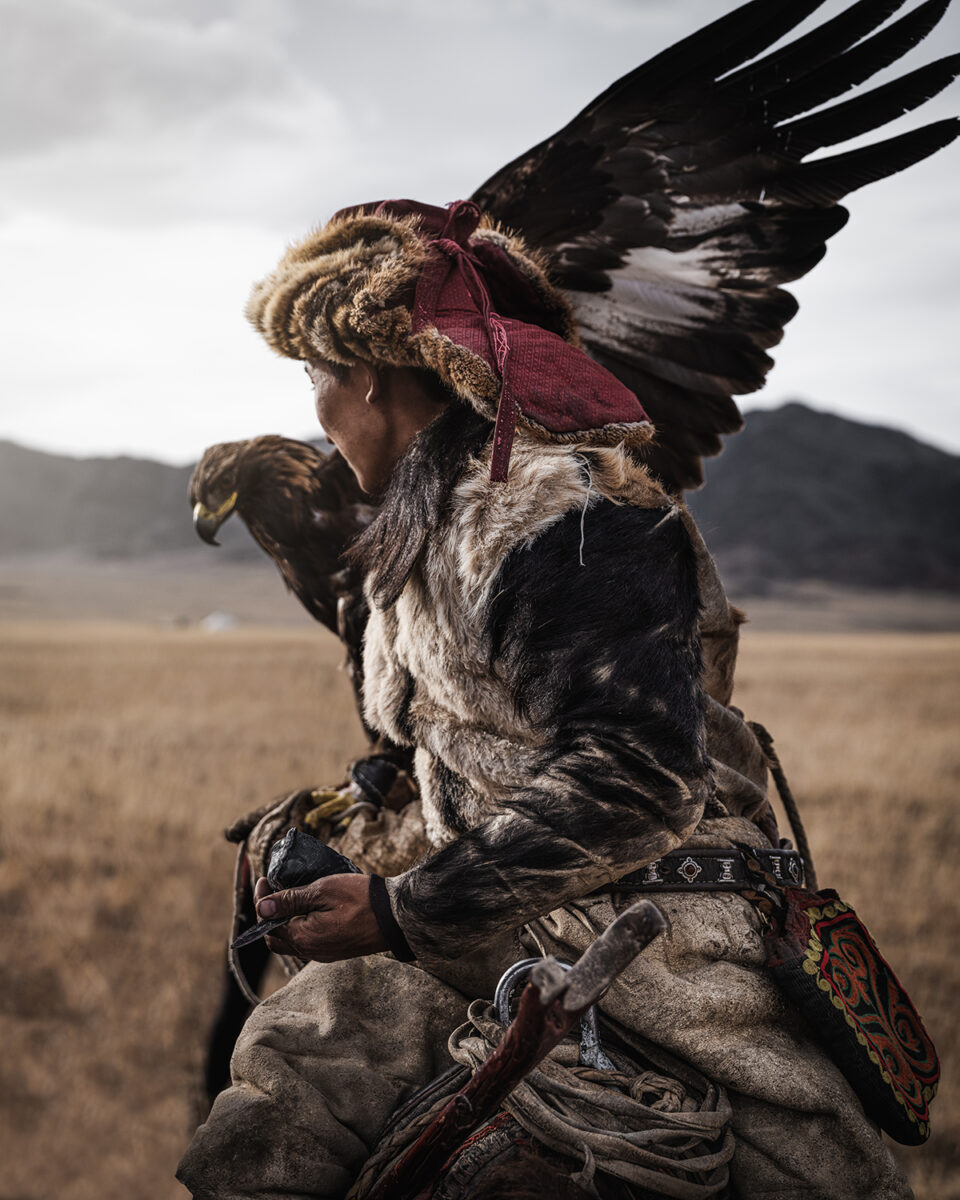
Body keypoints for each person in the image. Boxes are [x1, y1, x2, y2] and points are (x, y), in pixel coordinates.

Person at [177, 199, 912, 1199]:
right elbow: (473, 728)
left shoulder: (571, 519)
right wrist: (373, 805)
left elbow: (636, 781)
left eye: (315, 376)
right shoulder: (415, 528)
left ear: (371, 372)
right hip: (468, 918)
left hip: (652, 937)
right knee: (260, 1143)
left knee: (817, 1176)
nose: (314, 410)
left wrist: (402, 908)